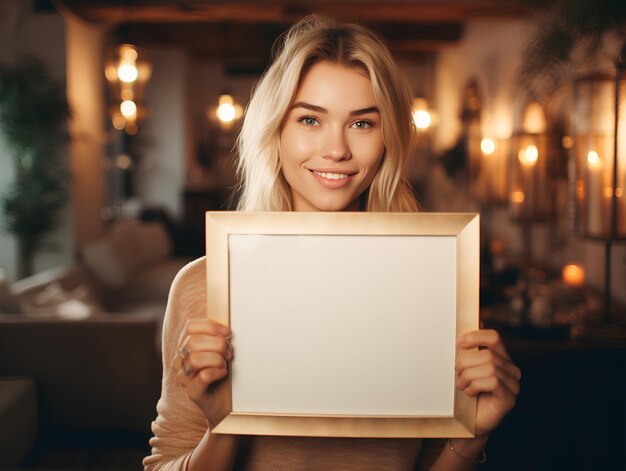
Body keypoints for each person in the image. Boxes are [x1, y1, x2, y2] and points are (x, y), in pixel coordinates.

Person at [143, 15, 521, 471]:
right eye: (310, 119)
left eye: (362, 124)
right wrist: (222, 424)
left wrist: (473, 437)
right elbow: (165, 461)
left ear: (388, 138)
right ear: (275, 129)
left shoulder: (434, 282)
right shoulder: (203, 286)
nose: (336, 149)